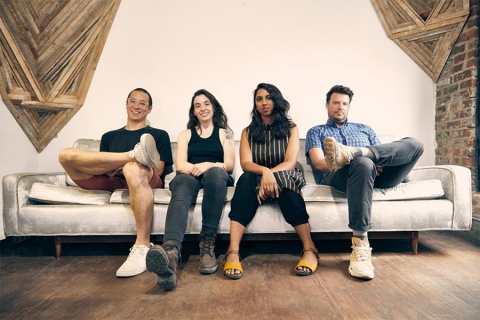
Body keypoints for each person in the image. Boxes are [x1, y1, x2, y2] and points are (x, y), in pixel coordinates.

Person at [305, 85, 424, 280]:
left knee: (415, 144)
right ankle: (360, 242)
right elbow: (320, 163)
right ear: (327, 105)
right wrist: (360, 161)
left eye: (344, 103)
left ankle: (356, 153)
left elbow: (384, 156)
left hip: (377, 175)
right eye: (335, 102)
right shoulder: (316, 131)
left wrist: (369, 159)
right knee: (362, 163)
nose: (340, 107)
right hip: (342, 177)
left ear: (349, 106)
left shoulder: (365, 129)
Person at [58, 88, 173, 278]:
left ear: (150, 109)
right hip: (112, 181)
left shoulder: (158, 135)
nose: (136, 106)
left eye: (142, 103)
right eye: (132, 101)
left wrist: (127, 166)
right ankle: (132, 155)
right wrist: (123, 162)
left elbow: (158, 169)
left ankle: (142, 245)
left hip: (143, 178)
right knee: (65, 155)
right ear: (126, 104)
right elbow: (102, 168)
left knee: (131, 169)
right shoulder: (109, 137)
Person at [223, 83, 319, 280]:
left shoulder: (291, 129)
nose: (264, 102)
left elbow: (290, 162)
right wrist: (265, 172)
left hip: (285, 175)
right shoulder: (247, 132)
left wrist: (271, 175)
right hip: (257, 177)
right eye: (259, 99)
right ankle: (233, 252)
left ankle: (309, 249)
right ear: (255, 104)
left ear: (277, 101)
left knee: (287, 186)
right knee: (246, 179)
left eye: (269, 98)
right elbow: (246, 163)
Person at [146, 89, 235, 291]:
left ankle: (207, 245)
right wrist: (200, 167)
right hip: (190, 174)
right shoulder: (186, 134)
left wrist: (208, 165)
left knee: (214, 173)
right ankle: (171, 253)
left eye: (206, 103)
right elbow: (180, 165)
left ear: (214, 107)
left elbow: (228, 164)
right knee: (183, 183)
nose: (202, 108)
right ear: (193, 111)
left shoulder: (225, 134)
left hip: (216, 174)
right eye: (197, 105)